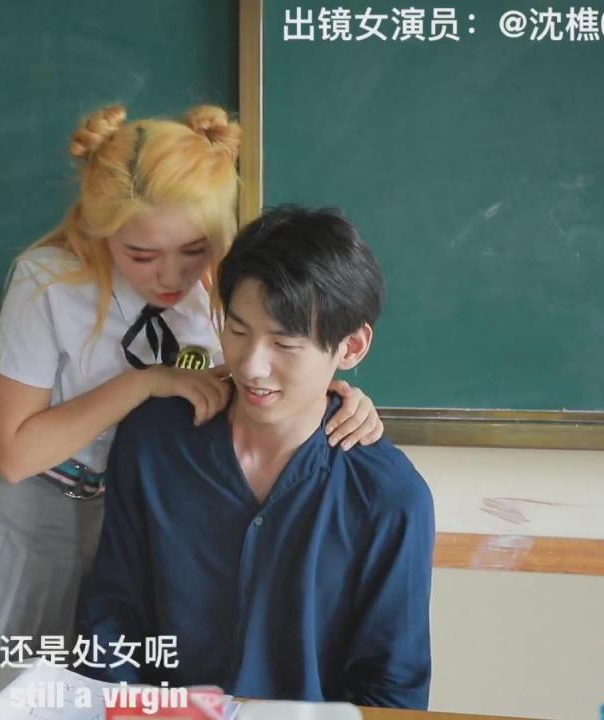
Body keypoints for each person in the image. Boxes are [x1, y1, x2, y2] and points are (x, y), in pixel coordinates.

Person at [0, 109, 385, 668]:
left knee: (80, 689)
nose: (171, 277)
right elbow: (14, 456)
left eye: (194, 250)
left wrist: (340, 396)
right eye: (141, 255)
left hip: (113, 521)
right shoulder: (49, 281)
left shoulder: (229, 286)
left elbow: (263, 367)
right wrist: (146, 382)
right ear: (100, 231)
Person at [78, 205, 434, 709]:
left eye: (285, 344)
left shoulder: (387, 497)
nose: (252, 366)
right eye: (238, 331)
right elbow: (112, 619)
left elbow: (391, 686)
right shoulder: (156, 441)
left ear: (351, 347)